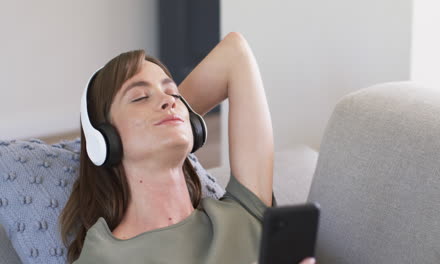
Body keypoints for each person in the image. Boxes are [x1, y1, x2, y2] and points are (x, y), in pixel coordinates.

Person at [60, 32, 315, 264]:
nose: (168, 102)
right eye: (139, 97)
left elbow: (235, 53)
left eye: (172, 93)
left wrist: (180, 119)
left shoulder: (244, 212)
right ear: (104, 139)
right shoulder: (104, 257)